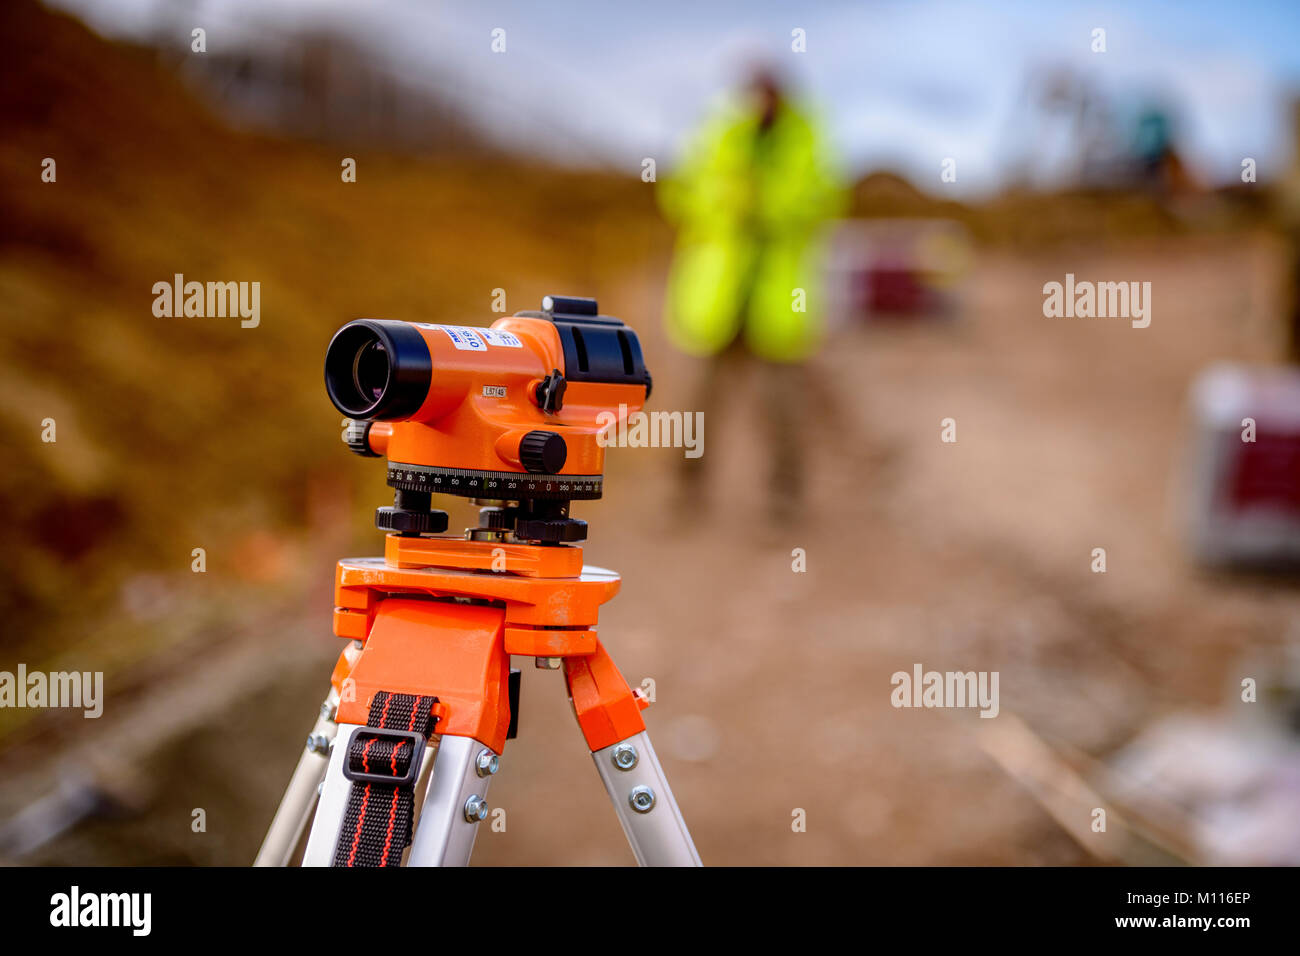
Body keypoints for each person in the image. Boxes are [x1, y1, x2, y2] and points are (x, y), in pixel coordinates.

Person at [658, 67, 846, 521]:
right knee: (699, 408)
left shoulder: (809, 141)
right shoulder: (719, 136)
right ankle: (685, 496)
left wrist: (768, 205)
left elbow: (825, 204)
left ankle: (785, 501)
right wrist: (728, 201)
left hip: (778, 305)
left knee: (782, 410)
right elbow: (680, 196)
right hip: (718, 301)